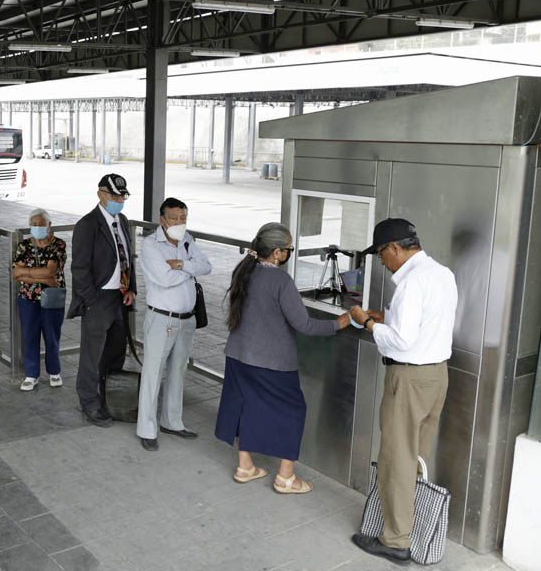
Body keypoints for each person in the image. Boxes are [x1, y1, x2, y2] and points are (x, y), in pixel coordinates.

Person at [349, 219, 457, 566]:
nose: (382, 261)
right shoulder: (442, 273)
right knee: (415, 458)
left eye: (381, 254)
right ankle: (405, 527)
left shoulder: (412, 283)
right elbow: (428, 322)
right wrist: (388, 315)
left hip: (409, 380)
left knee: (397, 459)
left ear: (395, 247)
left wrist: (367, 322)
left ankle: (395, 541)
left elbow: (402, 341)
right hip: (436, 376)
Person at [215, 222, 350, 492]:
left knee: (246, 407)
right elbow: (305, 325)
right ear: (276, 253)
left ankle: (246, 467)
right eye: (288, 249)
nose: (289, 253)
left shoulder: (244, 270)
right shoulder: (280, 280)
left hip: (238, 355)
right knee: (293, 411)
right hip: (272, 363)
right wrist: (343, 322)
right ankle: (286, 477)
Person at [136, 198, 212, 451]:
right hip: (162, 319)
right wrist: (190, 269)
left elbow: (207, 267)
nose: (180, 223)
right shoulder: (151, 245)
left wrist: (180, 265)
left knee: (178, 371)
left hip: (187, 319)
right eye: (175, 218)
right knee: (153, 373)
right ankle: (147, 428)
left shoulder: (187, 239)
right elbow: (164, 279)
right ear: (162, 220)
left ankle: (172, 421)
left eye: (183, 218)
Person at [68, 173, 137, 427]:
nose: (119, 200)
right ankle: (89, 402)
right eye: (115, 195)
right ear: (100, 194)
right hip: (98, 299)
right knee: (92, 356)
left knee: (115, 353)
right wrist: (91, 301)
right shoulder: (87, 225)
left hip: (121, 297)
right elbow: (80, 269)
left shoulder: (122, 220)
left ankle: (109, 396)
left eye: (123, 196)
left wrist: (131, 289)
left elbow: (128, 259)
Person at [12, 209, 67, 391]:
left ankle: (54, 371)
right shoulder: (23, 246)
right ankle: (31, 374)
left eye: (41, 224)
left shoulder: (58, 245)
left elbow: (51, 271)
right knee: (30, 335)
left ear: (49, 225)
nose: (37, 227)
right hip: (28, 298)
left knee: (52, 335)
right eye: (34, 225)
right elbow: (16, 273)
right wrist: (43, 278)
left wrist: (27, 272)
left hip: (52, 298)